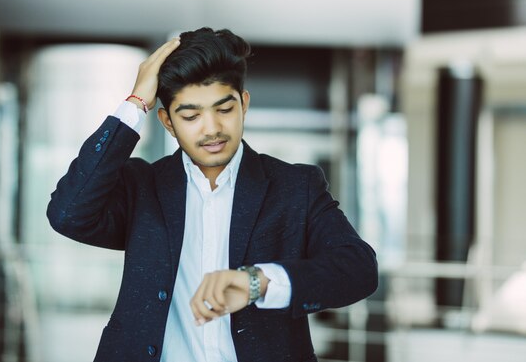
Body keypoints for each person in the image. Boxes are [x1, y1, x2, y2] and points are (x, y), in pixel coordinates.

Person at [47, 27, 378, 362]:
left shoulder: (295, 186)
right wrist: (135, 104)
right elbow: (68, 213)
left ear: (244, 104)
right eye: (191, 115)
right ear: (167, 121)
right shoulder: (142, 187)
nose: (212, 128)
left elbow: (358, 269)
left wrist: (258, 282)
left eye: (224, 109)